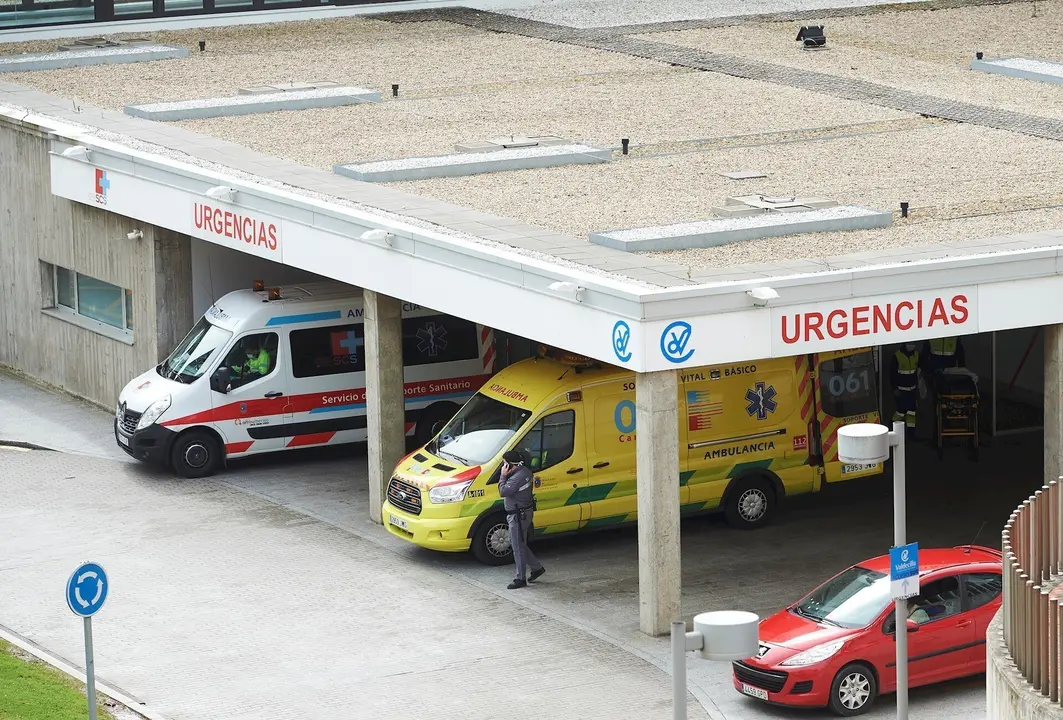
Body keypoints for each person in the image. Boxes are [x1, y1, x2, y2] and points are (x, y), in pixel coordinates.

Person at [498, 450, 545, 589]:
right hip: (523, 513)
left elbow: (503, 491)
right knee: (519, 543)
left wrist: (502, 476)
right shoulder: (525, 472)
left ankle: (520, 578)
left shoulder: (517, 477)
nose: (504, 466)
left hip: (518, 515)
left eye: (505, 464)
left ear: (512, 465)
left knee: (517, 546)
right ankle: (536, 568)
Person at [890, 342, 921, 437]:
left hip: (912, 389)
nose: (912, 346)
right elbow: (892, 374)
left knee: (912, 411)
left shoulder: (916, 354)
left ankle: (911, 434)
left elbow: (918, 369)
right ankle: (892, 430)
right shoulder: (897, 356)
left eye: (913, 344)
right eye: (910, 344)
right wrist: (895, 388)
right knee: (901, 411)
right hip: (901, 389)